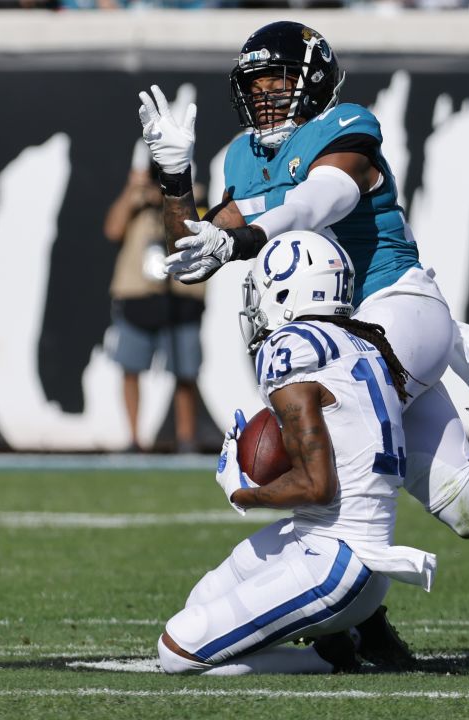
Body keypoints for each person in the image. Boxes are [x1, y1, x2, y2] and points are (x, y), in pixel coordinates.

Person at [138, 21, 469, 549]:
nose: (263, 97)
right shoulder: (242, 156)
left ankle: (357, 620)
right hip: (344, 338)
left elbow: (321, 199)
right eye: (253, 87)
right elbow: (191, 255)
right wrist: (175, 178)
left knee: (329, 453)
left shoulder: (346, 124)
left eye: (275, 82)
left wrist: (241, 237)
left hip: (395, 308)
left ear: (313, 79)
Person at [157, 231, 429, 675]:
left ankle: (327, 658)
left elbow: (316, 485)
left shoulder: (292, 347)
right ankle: (353, 633)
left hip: (339, 559)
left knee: (178, 652)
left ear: (289, 290)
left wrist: (242, 491)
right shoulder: (360, 340)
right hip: (333, 542)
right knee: (201, 603)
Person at [103, 145, 205, 453]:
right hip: (138, 295)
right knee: (130, 367)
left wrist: (171, 197)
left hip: (181, 297)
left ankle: (186, 438)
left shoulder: (195, 197)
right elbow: (113, 229)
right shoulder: (135, 199)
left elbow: (198, 230)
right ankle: (134, 438)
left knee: (185, 371)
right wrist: (133, 190)